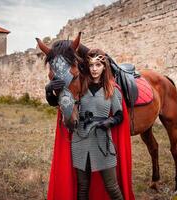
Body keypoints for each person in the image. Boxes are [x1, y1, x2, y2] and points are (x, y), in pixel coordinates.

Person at [45, 46, 134, 200]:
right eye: (91, 65)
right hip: (80, 143)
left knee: (112, 188)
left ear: (104, 67)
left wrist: (108, 122)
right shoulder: (80, 86)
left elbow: (120, 116)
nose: (94, 69)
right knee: (83, 189)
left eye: (98, 65)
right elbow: (61, 102)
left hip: (103, 143)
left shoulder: (112, 90)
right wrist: (49, 89)